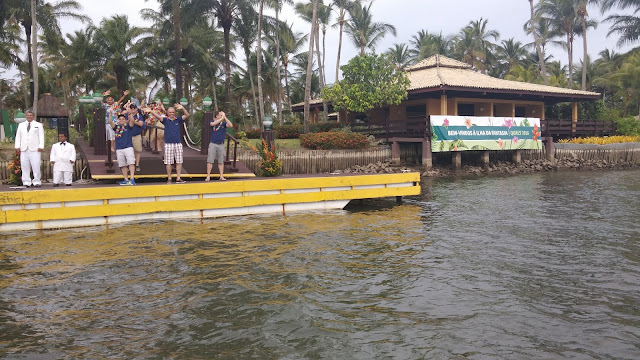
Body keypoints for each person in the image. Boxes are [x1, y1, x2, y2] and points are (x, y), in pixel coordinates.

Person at [145, 103, 189, 184]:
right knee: (168, 162)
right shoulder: (165, 120)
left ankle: (178, 178)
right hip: (168, 144)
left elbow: (187, 115)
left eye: (173, 112)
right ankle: (169, 178)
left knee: (179, 161)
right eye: (170, 112)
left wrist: (182, 108)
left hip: (178, 143)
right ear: (167, 113)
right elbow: (158, 116)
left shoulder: (178, 120)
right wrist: (151, 111)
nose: (172, 114)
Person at [14, 110, 44, 188]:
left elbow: (41, 136)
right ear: (26, 116)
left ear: (33, 116)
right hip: (24, 148)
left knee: (36, 165)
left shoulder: (38, 125)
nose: (29, 116)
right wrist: (17, 146)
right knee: (24, 165)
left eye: (31, 115)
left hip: (35, 148)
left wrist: (41, 146)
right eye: (28, 115)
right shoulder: (21, 125)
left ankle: (37, 181)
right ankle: (26, 182)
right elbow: (18, 136)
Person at [110, 107, 136, 185]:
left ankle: (132, 178)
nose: (121, 120)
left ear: (125, 120)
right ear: (118, 121)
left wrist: (130, 113)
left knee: (131, 163)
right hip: (119, 148)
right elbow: (110, 121)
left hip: (128, 147)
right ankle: (125, 179)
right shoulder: (116, 128)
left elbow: (132, 121)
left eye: (123, 119)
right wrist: (111, 113)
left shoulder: (128, 127)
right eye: (120, 119)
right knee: (122, 165)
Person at [205, 110, 233, 181]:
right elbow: (212, 124)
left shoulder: (223, 124)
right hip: (213, 144)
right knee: (210, 160)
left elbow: (230, 125)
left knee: (221, 161)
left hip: (221, 144)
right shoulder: (212, 121)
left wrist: (225, 118)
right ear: (217, 116)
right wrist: (221, 118)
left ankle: (221, 176)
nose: (222, 117)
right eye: (220, 115)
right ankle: (208, 176)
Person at [129, 103, 146, 172]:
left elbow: (141, 124)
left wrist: (133, 121)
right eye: (131, 108)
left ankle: (137, 164)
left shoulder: (139, 116)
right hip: (129, 136)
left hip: (137, 135)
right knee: (129, 151)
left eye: (134, 108)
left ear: (136, 109)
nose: (133, 110)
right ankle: (130, 164)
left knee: (137, 150)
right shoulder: (127, 116)